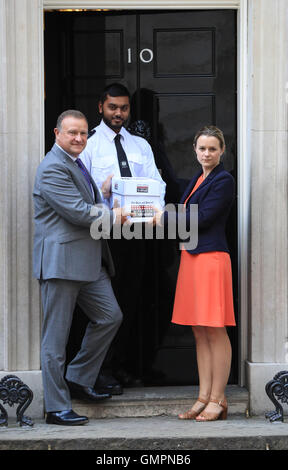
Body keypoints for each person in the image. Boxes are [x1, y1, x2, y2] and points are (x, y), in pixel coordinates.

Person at [33, 110, 126, 425]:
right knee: (55, 340)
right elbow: (76, 211)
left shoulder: (75, 163)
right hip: (60, 263)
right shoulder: (51, 168)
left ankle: (78, 376)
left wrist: (106, 194)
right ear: (56, 133)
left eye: (84, 133)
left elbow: (87, 202)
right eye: (72, 132)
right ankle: (56, 408)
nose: (78, 138)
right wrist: (115, 217)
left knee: (110, 316)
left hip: (88, 261)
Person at [80, 83, 166, 393]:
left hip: (138, 233)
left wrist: (152, 209)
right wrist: (99, 192)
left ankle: (121, 366)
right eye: (113, 107)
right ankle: (97, 370)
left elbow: (158, 184)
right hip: (104, 236)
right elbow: (79, 194)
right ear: (101, 107)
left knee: (131, 300)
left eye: (124, 108)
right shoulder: (89, 145)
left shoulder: (140, 145)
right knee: (106, 305)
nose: (119, 113)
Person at [155, 125, 236, 421]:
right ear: (194, 149)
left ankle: (218, 398)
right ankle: (203, 397)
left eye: (212, 148)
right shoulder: (196, 179)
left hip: (212, 259)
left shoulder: (224, 180)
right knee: (199, 330)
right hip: (192, 258)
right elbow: (184, 211)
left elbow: (202, 218)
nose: (206, 153)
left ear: (222, 151)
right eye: (202, 148)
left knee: (215, 328)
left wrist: (165, 215)